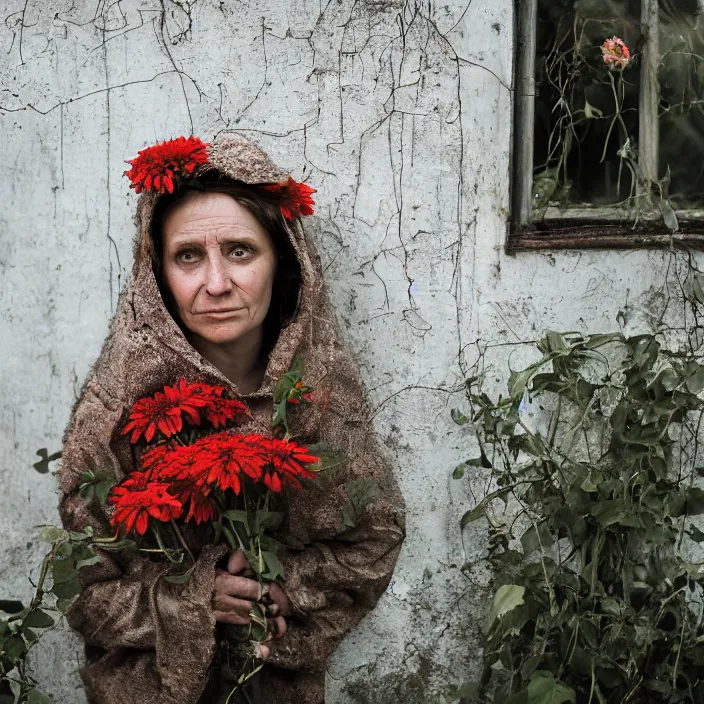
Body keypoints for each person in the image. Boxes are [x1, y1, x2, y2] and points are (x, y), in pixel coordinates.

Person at [57, 132, 405, 704]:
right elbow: (82, 592)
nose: (215, 284)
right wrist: (193, 600)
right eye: (188, 256)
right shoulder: (117, 411)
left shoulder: (318, 403)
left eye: (240, 251)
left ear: (282, 263)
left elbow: (373, 540)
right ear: (158, 274)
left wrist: (283, 588)